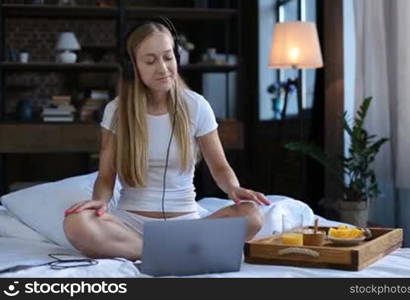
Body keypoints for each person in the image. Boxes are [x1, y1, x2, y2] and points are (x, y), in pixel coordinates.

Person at [63, 19, 270, 261]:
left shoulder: (197, 106)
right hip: (130, 223)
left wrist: (234, 188)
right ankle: (172, 251)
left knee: (252, 215)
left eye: (168, 57)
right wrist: (99, 202)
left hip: (185, 221)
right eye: (150, 61)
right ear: (133, 67)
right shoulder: (117, 111)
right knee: (76, 224)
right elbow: (106, 175)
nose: (162, 68)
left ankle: (152, 251)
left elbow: (220, 167)